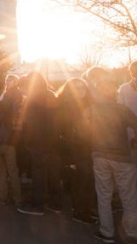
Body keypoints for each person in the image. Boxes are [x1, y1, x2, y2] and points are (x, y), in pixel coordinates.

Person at [84, 79, 137, 243]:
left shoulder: (92, 110)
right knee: (129, 196)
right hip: (122, 156)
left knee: (103, 195)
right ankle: (132, 232)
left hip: (100, 155)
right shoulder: (122, 110)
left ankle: (107, 232)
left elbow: (81, 131)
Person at [17, 72, 61, 216]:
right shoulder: (52, 95)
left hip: (37, 142)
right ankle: (55, 203)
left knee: (39, 175)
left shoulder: (32, 99)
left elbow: (29, 123)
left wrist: (28, 142)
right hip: (53, 141)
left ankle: (37, 205)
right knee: (53, 174)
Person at [56, 78, 96, 224]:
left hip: (89, 146)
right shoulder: (64, 107)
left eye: (83, 87)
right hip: (74, 148)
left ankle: (88, 208)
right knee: (81, 178)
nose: (81, 90)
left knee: (89, 178)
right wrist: (68, 156)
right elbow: (60, 132)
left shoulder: (90, 104)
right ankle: (79, 210)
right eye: (76, 87)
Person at [0, 74, 23, 207]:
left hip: (1, 138)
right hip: (9, 138)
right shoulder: (17, 96)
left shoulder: (7, 97)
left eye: (10, 79)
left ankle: (2, 197)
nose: (7, 81)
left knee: (3, 169)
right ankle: (17, 199)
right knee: (11, 169)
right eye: (7, 79)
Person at [118, 60, 137, 165]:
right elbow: (120, 110)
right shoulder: (124, 88)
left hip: (131, 132)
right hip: (132, 133)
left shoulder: (124, 88)